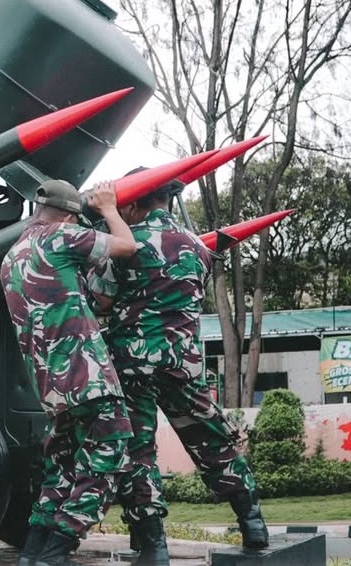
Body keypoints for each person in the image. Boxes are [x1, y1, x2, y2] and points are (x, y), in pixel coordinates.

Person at [87, 172, 270, 563]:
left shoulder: (126, 243)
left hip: (132, 365)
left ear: (132, 204)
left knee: (138, 452)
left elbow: (100, 300)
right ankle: (252, 523)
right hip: (183, 364)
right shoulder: (196, 247)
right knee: (210, 440)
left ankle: (152, 545)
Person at [0, 179, 138, 566]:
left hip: (50, 384)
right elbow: (128, 246)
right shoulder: (61, 236)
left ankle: (33, 551)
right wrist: (109, 209)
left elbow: (91, 297)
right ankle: (57, 550)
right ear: (67, 214)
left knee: (61, 465)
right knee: (110, 451)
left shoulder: (13, 255)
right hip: (85, 373)